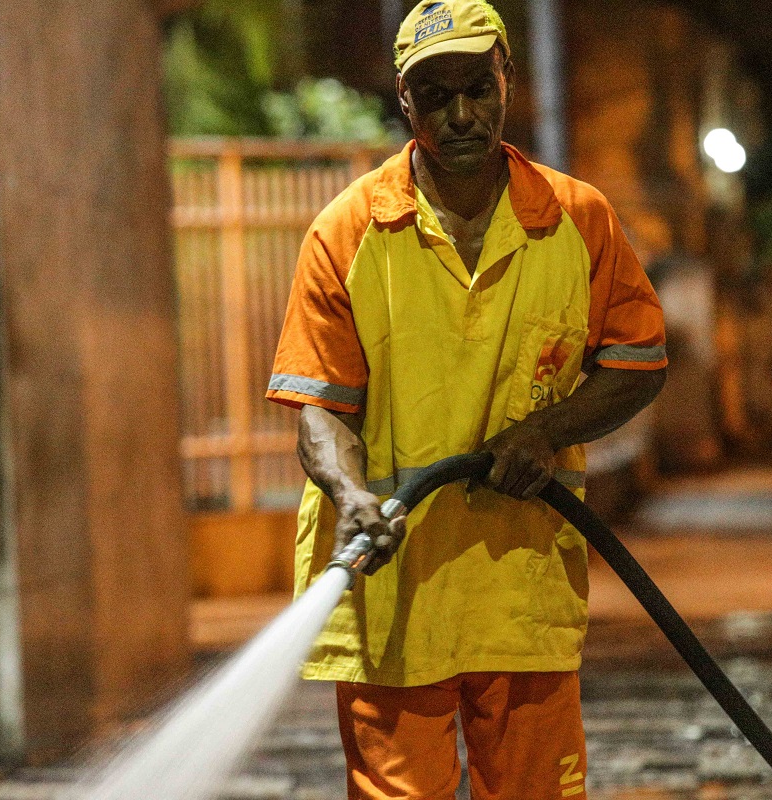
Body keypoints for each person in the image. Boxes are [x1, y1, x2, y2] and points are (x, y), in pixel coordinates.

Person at [267, 2, 667, 796]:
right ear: (404, 102)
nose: (461, 115)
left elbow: (639, 362)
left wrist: (545, 430)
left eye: (477, 88)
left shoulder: (576, 220)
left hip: (520, 586)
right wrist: (350, 497)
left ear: (507, 82)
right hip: (392, 597)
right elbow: (319, 410)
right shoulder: (347, 233)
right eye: (436, 94)